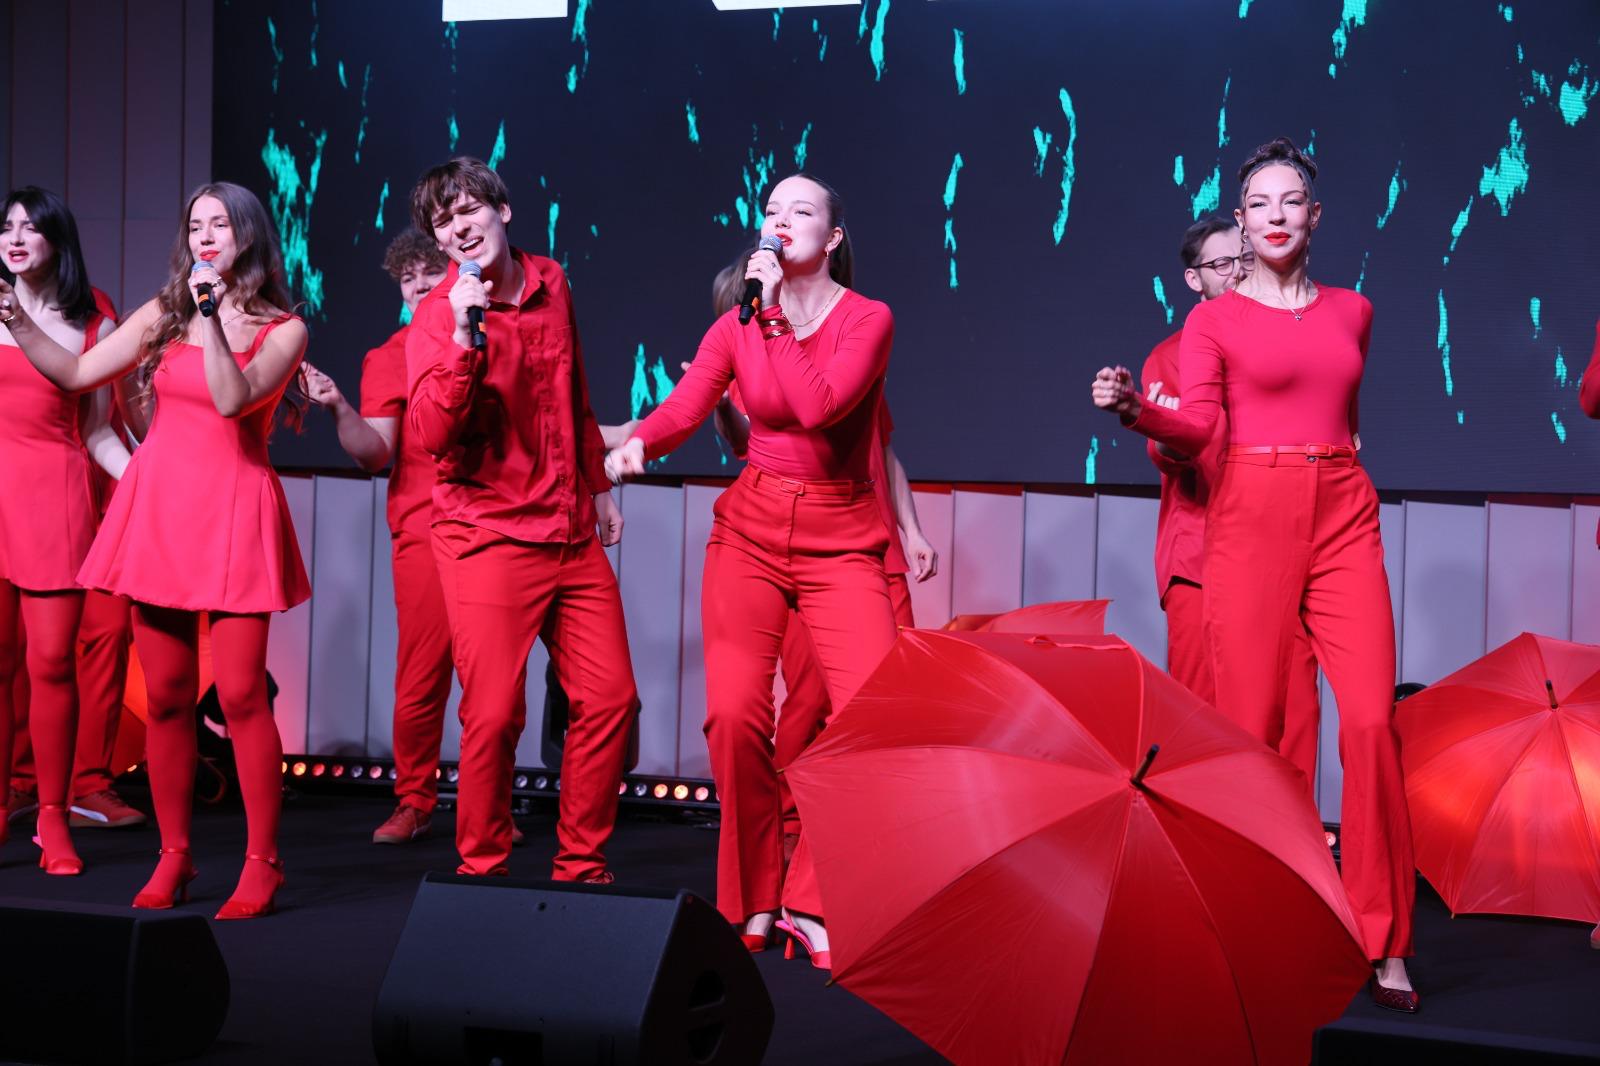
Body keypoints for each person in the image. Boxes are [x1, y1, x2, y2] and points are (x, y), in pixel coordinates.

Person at [1091, 138, 1418, 1011]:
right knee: (1249, 731)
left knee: (1372, 724)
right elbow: (1202, 429)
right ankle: (1249, 923)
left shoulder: (1354, 310)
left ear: (1316, 216)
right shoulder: (1214, 322)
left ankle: (1385, 938)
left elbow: (1341, 412)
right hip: (1249, 511)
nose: (1276, 216)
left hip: (1343, 509)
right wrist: (1137, 411)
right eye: (1260, 205)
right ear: (1241, 223)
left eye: (1291, 201)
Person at [608, 173, 900, 969]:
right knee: (735, 719)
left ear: (832, 238)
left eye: (800, 211)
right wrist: (643, 444)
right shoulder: (737, 323)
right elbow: (686, 404)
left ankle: (814, 897)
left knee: (874, 721)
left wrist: (770, 315)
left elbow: (819, 407)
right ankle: (754, 900)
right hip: (752, 531)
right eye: (772, 210)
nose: (780, 221)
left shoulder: (867, 319)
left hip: (842, 536)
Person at [0, 181, 310, 918]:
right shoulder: (161, 314)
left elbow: (233, 401)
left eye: (220, 224)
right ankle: (175, 857)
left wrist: (211, 318)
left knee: (241, 695)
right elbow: (78, 374)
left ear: (247, 237)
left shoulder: (284, 329)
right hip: (162, 511)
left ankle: (262, 864)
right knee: (167, 696)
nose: (205, 236)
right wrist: (18, 321)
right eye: (195, 224)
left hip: (233, 511)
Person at [405, 157, 637, 881]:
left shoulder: (551, 281)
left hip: (567, 527)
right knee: (495, 712)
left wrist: (598, 487)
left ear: (502, 211)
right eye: (444, 221)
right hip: (486, 533)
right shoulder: (436, 316)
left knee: (610, 700)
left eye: (469, 209)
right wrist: (462, 339)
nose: (460, 227)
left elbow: (575, 392)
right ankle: (483, 871)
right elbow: (432, 436)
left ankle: (581, 866)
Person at [700, 251, 937, 888]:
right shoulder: (747, 366)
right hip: (800, 551)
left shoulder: (851, 352)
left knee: (875, 711)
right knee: (800, 707)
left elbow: (883, 448)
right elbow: (743, 443)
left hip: (867, 548)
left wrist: (911, 529)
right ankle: (787, 841)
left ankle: (838, 867)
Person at [1141, 216, 1322, 791]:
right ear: (1194, 279)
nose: (1238, 273)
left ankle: (1289, 827)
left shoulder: (1288, 341)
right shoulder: (1172, 356)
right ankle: (1207, 827)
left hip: (1282, 554)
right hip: (1201, 557)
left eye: (1243, 260)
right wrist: (1162, 426)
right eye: (1221, 264)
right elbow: (1169, 449)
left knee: (1295, 707)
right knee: (1203, 712)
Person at [0, 186, 133, 871]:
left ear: (58, 241)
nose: (16, 238)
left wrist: (144, 483)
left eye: (31, 228)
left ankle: (53, 818)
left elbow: (100, 430)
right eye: (7, 227)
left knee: (51, 662)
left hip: (53, 497)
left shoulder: (92, 326)